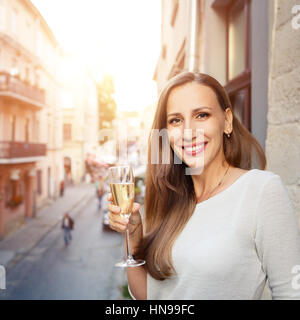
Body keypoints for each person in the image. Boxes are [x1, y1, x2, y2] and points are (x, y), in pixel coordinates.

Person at [107, 71, 300, 300]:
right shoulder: (172, 200)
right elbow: (148, 296)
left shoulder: (261, 191)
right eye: (176, 120)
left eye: (201, 115)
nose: (188, 132)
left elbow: (291, 293)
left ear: (226, 121)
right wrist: (134, 236)